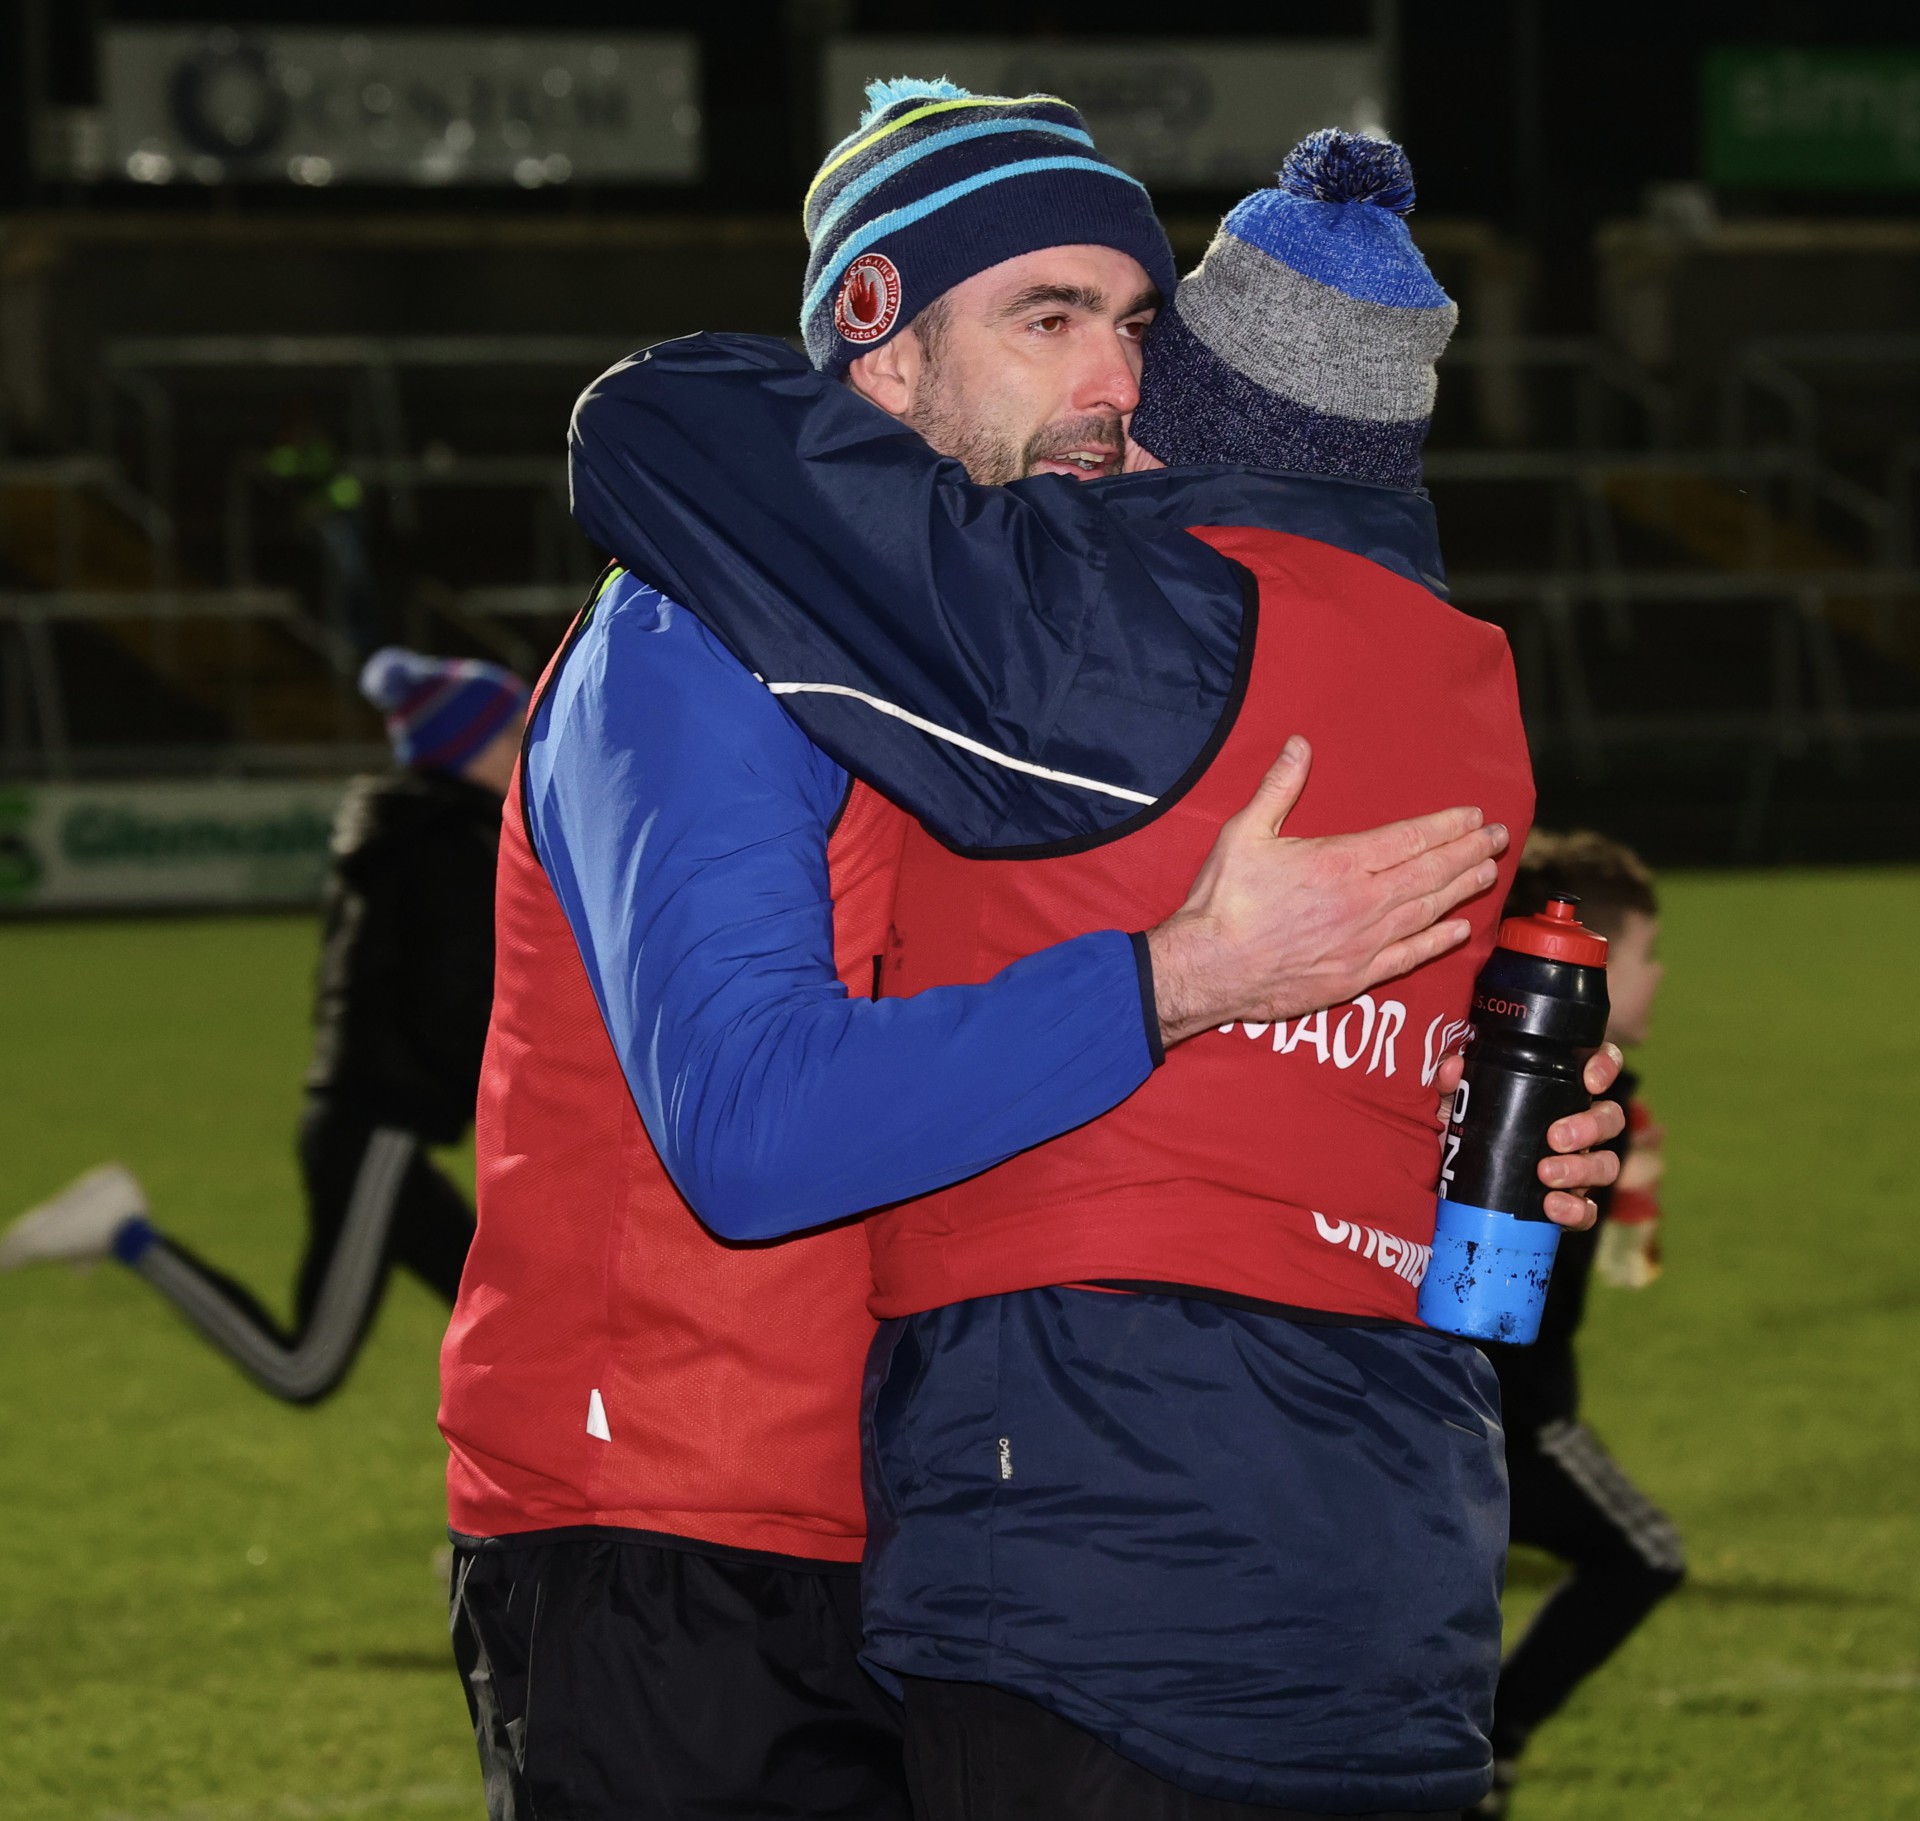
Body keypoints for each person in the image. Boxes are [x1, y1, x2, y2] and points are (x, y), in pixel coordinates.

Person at [440, 90, 1538, 1821]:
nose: (1118, 381)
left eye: (1136, 320)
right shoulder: (692, 636)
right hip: (675, 1528)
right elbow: (752, 1130)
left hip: (947, 1529)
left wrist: (1490, 1088)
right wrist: (1176, 979)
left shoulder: (1016, 656)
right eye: (1049, 317)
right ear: (877, 343)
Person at [0, 648, 522, 1404]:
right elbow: (460, 1008)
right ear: (466, 750)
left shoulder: (412, 836)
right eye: (509, 738)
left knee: (510, 1329)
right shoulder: (445, 849)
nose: (522, 754)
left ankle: (528, 1517)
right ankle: (124, 1233)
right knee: (304, 1366)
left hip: (376, 1129)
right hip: (380, 1132)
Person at [1467, 831, 1683, 1820]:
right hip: (1515, 1407)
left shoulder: (1582, 1086)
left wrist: (1633, 1190)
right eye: (1642, 952)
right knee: (1642, 1554)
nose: (1660, 973)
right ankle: (1493, 1745)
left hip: (1471, 1399)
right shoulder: (1568, 1087)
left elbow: (1624, 1260)